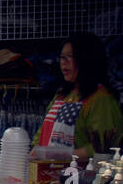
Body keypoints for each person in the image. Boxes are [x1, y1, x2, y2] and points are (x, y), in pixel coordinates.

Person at [37, 31, 123, 160]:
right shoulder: (62, 95)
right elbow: (42, 133)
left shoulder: (101, 99)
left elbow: (101, 148)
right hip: (50, 173)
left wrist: (63, 155)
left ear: (86, 59)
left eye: (69, 57)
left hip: (79, 176)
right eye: (61, 57)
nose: (63, 63)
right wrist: (36, 150)